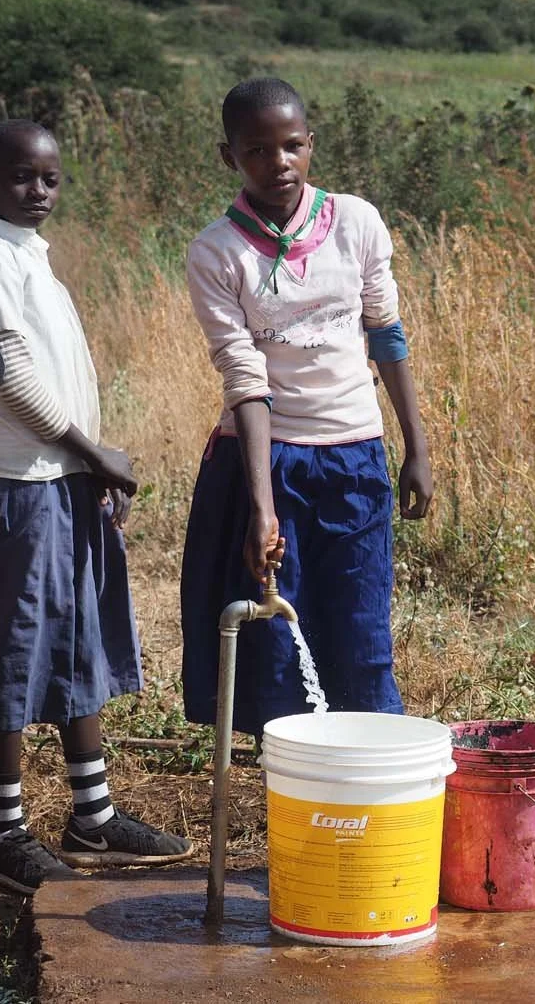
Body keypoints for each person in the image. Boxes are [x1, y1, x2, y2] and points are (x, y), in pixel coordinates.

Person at [0, 119, 192, 894]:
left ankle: (91, 814)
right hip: (20, 488)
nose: (38, 191)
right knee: (14, 654)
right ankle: (2, 833)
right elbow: (14, 379)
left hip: (58, 481)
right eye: (21, 176)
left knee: (73, 643)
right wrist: (95, 455)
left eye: (50, 179)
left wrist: (86, 468)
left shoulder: (32, 262)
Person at [181, 78, 433, 741]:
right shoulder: (216, 252)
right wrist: (262, 507)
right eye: (258, 150)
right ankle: (296, 787)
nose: (279, 161)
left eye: (292, 145)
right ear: (228, 156)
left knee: (360, 626)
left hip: (354, 455)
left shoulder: (355, 223)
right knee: (277, 639)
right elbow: (245, 375)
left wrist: (416, 447)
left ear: (311, 145)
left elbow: (386, 331)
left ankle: (369, 781)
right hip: (268, 459)